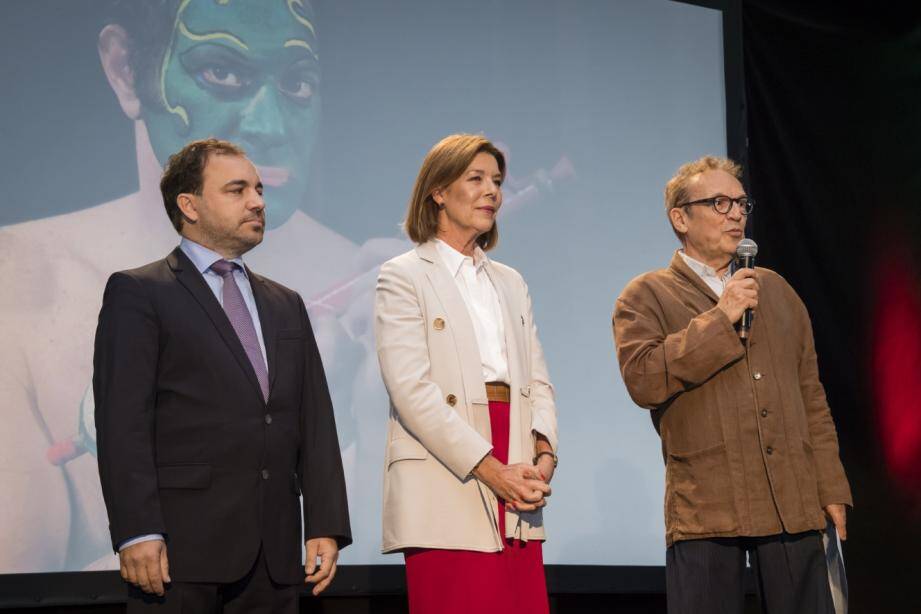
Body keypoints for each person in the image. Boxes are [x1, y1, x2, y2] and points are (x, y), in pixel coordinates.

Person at [0, 0, 396, 572]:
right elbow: (23, 583)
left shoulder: (338, 299)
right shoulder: (27, 281)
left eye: (296, 81)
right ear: (124, 68)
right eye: (223, 72)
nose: (268, 127)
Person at [93, 138, 351, 612]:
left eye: (258, 190)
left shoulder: (285, 303)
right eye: (237, 190)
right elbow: (121, 421)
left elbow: (313, 419)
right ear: (188, 205)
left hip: (273, 554)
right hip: (178, 552)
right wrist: (137, 529)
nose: (257, 201)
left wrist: (325, 522)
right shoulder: (139, 292)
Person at [612, 156, 853, 614]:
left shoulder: (776, 291)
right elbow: (643, 378)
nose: (736, 213)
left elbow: (812, 398)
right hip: (707, 502)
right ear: (680, 218)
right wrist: (721, 317)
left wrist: (831, 488)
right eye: (719, 202)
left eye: (741, 203)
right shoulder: (646, 295)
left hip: (791, 497)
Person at [374, 134, 559, 613]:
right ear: (438, 191)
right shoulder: (404, 275)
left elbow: (537, 379)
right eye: (475, 179)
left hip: (515, 456)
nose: (492, 191)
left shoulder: (510, 282)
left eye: (496, 181)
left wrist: (544, 454)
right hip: (450, 466)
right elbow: (411, 389)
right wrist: (491, 470)